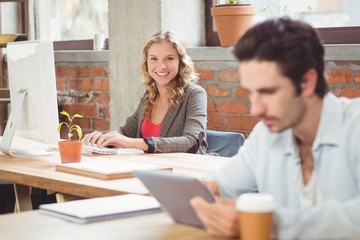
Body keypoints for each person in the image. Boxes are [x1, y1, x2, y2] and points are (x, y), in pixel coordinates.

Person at [190, 18, 360, 239]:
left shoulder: (354, 126)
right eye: (251, 93)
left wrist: (267, 224)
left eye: (268, 92)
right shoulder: (266, 134)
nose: (255, 109)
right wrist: (206, 191)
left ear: (307, 82)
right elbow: (223, 182)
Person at [83, 30, 207, 154]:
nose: (162, 66)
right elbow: (125, 133)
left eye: (169, 58)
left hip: (184, 170)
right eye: (154, 59)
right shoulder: (150, 96)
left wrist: (133, 143)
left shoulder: (194, 94)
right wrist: (102, 139)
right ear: (146, 62)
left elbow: (192, 142)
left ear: (180, 62)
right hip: (150, 169)